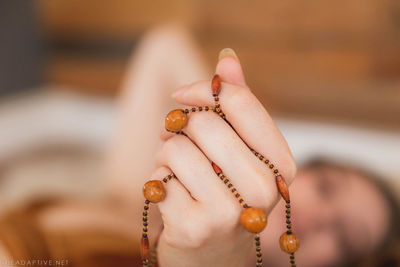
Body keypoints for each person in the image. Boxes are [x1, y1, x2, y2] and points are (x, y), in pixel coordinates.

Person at [0, 25, 398, 267]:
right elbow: (164, 44)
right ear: (296, 166)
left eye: (345, 237)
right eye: (327, 188)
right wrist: (226, 124)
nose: (321, 217)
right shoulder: (136, 193)